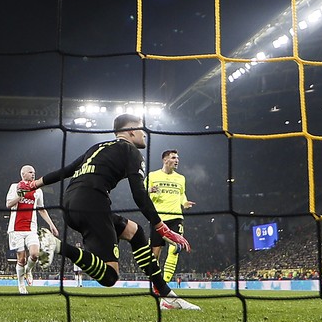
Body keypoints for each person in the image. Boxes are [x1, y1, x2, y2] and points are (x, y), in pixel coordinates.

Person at [25, 113, 200, 310]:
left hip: (70, 202)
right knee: (110, 276)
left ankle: (166, 294)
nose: (144, 134)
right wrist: (162, 228)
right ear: (131, 131)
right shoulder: (131, 151)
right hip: (92, 203)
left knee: (135, 232)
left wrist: (35, 184)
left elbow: (68, 170)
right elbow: (139, 193)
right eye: (141, 129)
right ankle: (57, 246)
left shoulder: (97, 147)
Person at [5, 164, 59, 294]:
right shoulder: (14, 187)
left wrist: (51, 225)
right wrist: (20, 195)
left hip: (31, 229)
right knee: (21, 259)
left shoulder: (38, 190)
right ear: (23, 174)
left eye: (34, 172)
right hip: (16, 229)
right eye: (30, 172)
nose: (33, 174)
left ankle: (28, 271)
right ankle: (21, 284)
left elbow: (41, 209)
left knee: (35, 254)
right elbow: (8, 204)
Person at [147, 149, 195, 283]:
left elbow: (181, 194)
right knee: (155, 252)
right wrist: (149, 190)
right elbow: (141, 191)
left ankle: (165, 282)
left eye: (177, 158)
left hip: (176, 217)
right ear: (165, 160)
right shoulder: (152, 176)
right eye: (173, 158)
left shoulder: (181, 178)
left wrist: (184, 202)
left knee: (176, 248)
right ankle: (155, 280)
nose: (177, 160)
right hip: (158, 219)